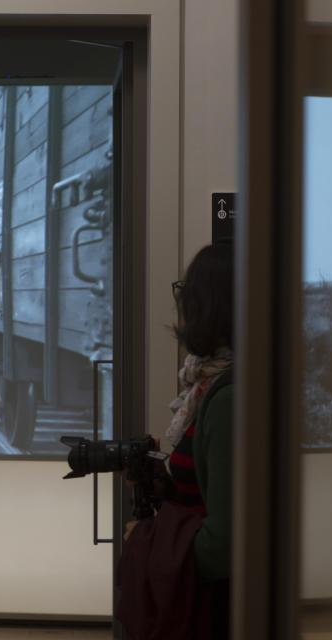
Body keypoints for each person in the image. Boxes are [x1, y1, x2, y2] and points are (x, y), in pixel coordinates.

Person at [117, 241, 234, 640]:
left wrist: (145, 541)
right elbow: (209, 494)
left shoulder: (228, 398)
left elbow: (224, 547)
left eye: (186, 291)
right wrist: (162, 482)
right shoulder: (212, 384)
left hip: (217, 612)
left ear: (208, 305)